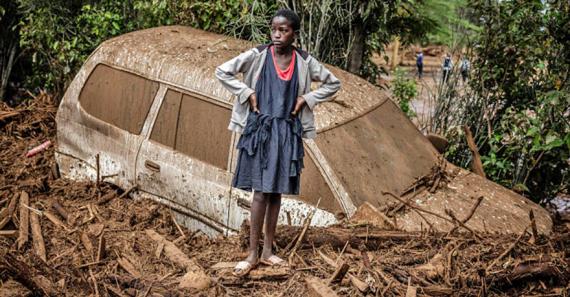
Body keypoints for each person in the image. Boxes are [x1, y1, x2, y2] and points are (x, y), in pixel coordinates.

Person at [215, 8, 341, 276]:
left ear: (294, 33)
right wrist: (246, 92)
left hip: (287, 133)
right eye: (274, 29)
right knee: (260, 193)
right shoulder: (258, 55)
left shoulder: (304, 61)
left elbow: (333, 84)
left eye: (283, 30)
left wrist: (306, 99)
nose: (276, 34)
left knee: (275, 194)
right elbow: (223, 71)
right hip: (260, 132)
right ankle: (252, 254)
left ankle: (268, 251)